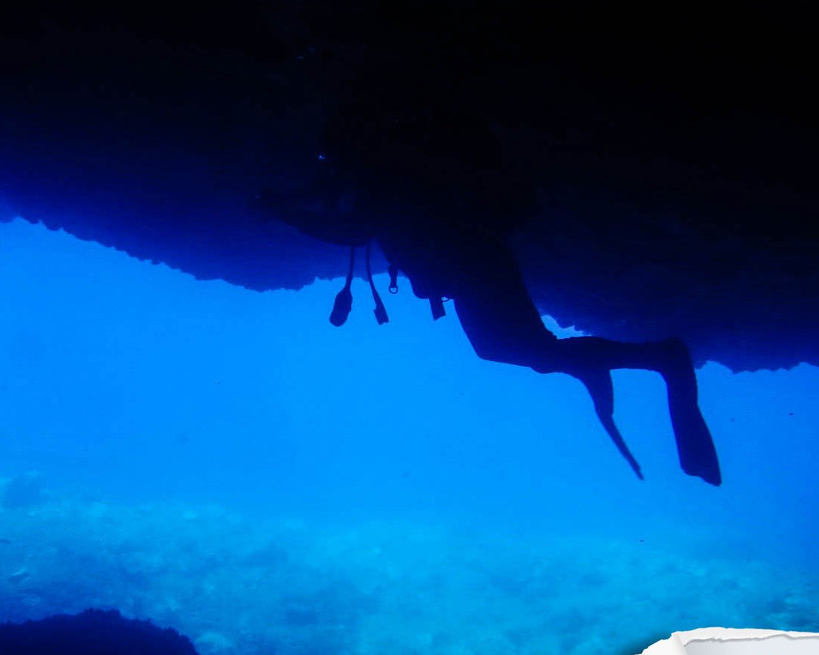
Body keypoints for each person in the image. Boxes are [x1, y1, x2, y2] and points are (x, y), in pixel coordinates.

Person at [256, 97, 721, 486]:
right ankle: (595, 362)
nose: (330, 168)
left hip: (474, 265)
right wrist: (286, 204)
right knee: (509, 349)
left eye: (332, 157)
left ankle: (657, 357)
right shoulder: (379, 169)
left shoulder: (384, 176)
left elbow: (356, 230)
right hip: (469, 267)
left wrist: (288, 215)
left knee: (521, 349)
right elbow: (330, 196)